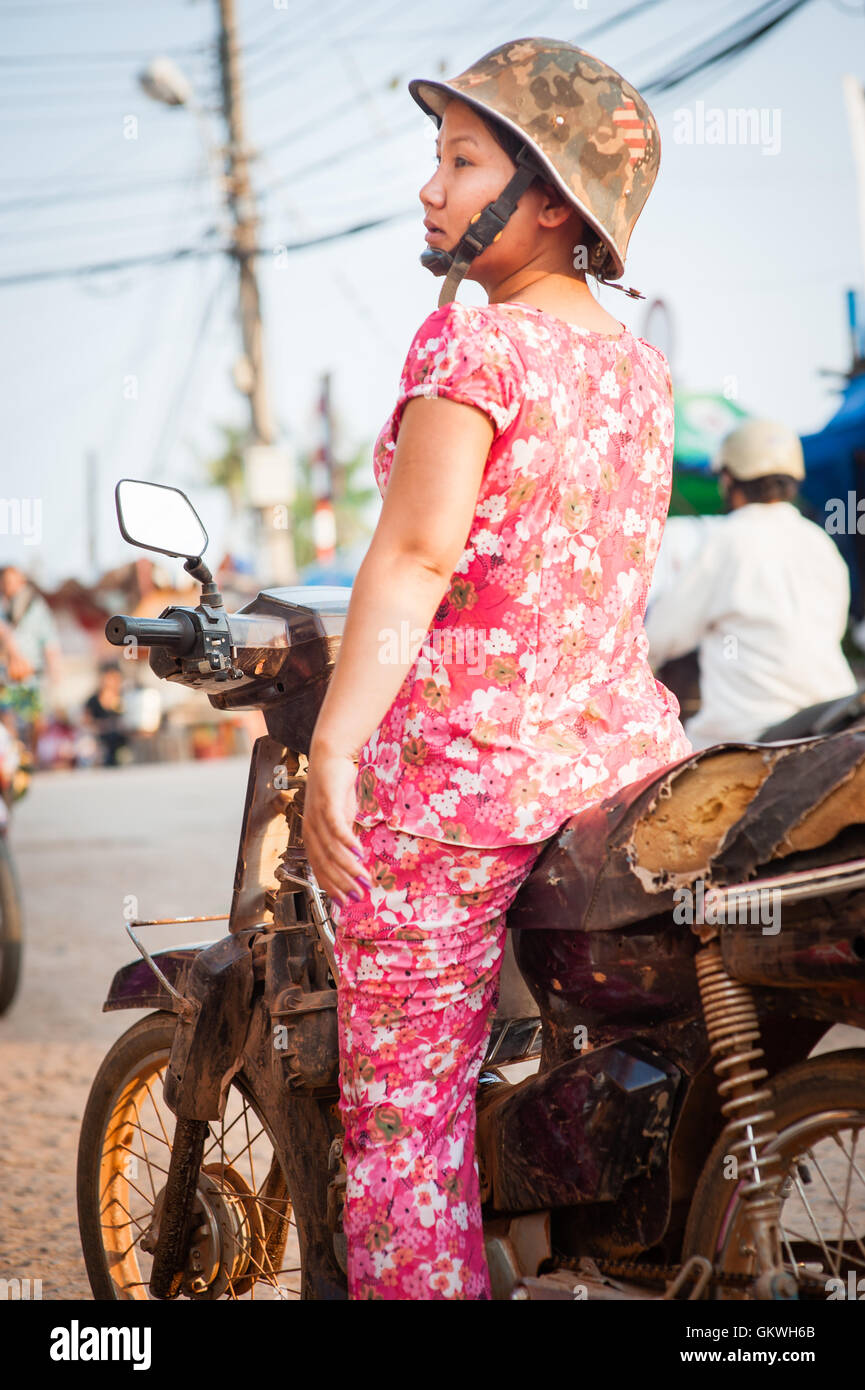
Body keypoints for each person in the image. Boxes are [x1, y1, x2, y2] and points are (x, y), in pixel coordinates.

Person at [302, 37, 691, 1301]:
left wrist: (332, 748)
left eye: (461, 160)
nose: (430, 189)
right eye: (436, 158)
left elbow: (414, 561)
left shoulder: (476, 352)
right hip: (625, 760)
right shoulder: (641, 372)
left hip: (471, 781)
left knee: (403, 1119)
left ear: (551, 200)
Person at [644, 418, 858, 749]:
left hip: (751, 731)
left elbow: (661, 636)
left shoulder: (727, 540)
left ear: (728, 479)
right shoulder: (820, 542)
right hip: (834, 715)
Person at [0, 565, 62, 754]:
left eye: (11, 581)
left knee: (36, 722)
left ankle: (29, 761)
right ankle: (15, 761)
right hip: (5, 678)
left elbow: (49, 640)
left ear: (21, 582)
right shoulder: (2, 609)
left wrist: (55, 671)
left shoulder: (36, 607)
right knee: (7, 721)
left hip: (32, 677)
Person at [83, 663, 130, 767]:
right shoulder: (93, 701)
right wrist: (103, 726)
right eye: (110, 677)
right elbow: (86, 723)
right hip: (101, 742)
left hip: (122, 742)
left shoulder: (125, 697)